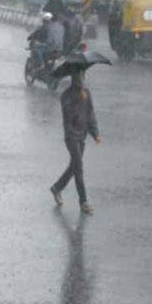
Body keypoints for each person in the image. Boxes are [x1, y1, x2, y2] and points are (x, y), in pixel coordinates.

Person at [50, 74, 101, 215]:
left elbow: (91, 114)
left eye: (83, 77)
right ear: (73, 79)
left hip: (82, 136)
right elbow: (68, 115)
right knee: (78, 168)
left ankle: (56, 187)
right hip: (71, 136)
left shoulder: (87, 93)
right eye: (79, 78)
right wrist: (77, 99)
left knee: (74, 167)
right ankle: (83, 202)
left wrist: (95, 133)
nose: (82, 80)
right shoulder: (66, 96)